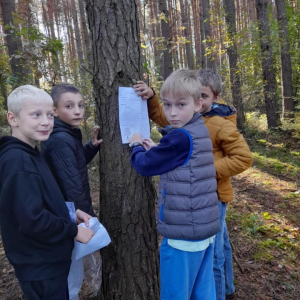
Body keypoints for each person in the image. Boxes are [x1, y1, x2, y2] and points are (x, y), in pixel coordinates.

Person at [134, 68, 252, 300]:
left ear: (202, 102)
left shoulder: (212, 126)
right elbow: (168, 122)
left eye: (181, 105)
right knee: (205, 274)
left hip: (196, 215)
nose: (172, 112)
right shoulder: (197, 125)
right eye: (168, 105)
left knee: (193, 275)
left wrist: (136, 146)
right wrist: (152, 100)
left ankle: (224, 292)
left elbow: (243, 158)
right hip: (199, 215)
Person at [0, 85, 94, 300]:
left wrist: (72, 213)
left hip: (47, 261)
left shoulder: (32, 153)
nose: (45, 122)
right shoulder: (17, 161)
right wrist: (72, 230)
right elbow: (30, 218)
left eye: (49, 115)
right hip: (39, 265)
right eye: (35, 115)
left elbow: (43, 200)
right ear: (13, 119)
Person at [41, 83, 103, 300]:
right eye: (69, 106)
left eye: (81, 105)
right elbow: (73, 185)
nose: (77, 111)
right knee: (70, 275)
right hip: (67, 215)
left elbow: (71, 167)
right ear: (55, 111)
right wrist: (87, 221)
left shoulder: (65, 134)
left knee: (75, 268)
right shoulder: (59, 139)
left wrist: (91, 147)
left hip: (68, 213)